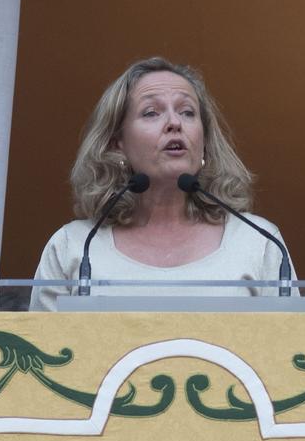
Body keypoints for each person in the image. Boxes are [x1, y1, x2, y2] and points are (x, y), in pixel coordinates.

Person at [31, 56, 290, 309]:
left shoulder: (259, 241)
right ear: (116, 143)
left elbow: (289, 348)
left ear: (204, 142)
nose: (174, 123)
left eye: (187, 112)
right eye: (151, 113)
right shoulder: (74, 246)